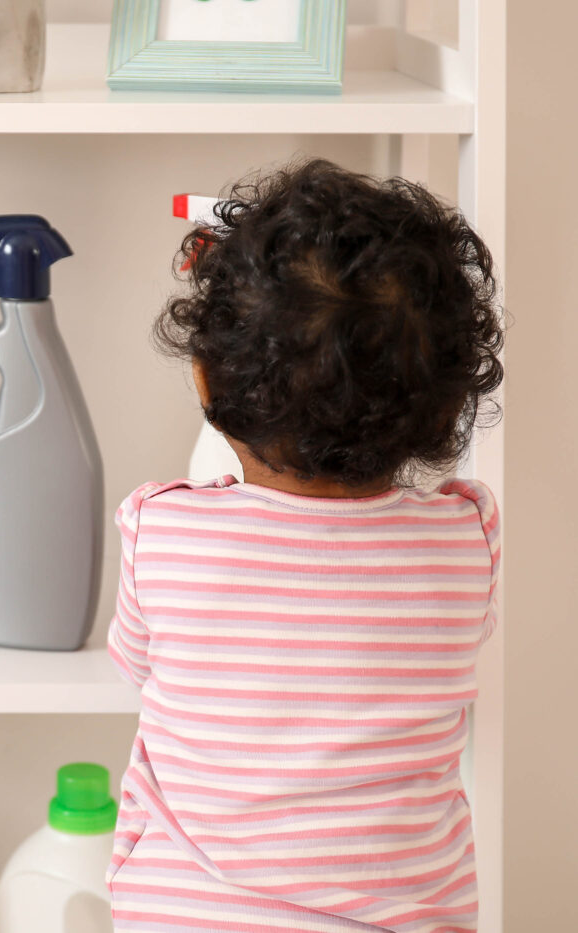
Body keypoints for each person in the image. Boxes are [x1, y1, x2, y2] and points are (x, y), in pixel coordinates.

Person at [106, 158, 504, 932]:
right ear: (446, 407)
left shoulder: (162, 529)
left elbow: (139, 664)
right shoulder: (467, 538)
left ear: (205, 384)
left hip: (187, 916)